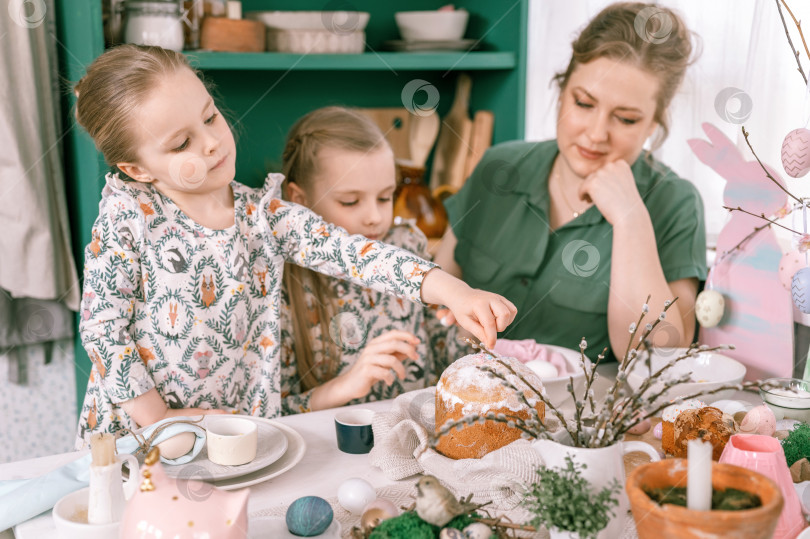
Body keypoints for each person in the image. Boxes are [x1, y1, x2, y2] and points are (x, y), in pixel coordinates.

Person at [72, 45, 516, 446]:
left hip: (231, 430)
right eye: (182, 143)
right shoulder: (130, 218)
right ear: (138, 168)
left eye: (209, 117)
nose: (210, 143)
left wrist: (453, 291)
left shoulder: (265, 215)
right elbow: (102, 327)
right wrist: (160, 418)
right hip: (136, 434)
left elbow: (353, 253)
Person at [435, 2, 707, 362]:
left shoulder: (675, 202)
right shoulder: (499, 166)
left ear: (653, 125)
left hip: (582, 416)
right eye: (583, 103)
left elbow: (658, 360)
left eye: (625, 119)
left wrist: (630, 220)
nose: (596, 134)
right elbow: (436, 298)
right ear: (561, 91)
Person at [278, 107, 465, 414]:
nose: (376, 218)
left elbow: (448, 360)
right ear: (299, 200)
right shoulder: (282, 282)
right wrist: (346, 384)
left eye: (385, 197)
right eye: (350, 201)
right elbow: (276, 415)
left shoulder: (406, 246)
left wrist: (461, 330)